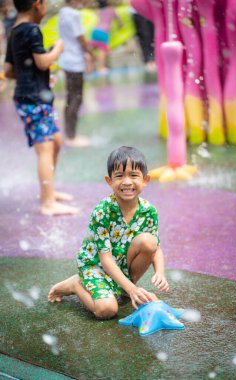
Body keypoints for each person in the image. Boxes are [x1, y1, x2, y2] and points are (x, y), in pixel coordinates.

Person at [48, 146, 169, 319]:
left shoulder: (148, 210)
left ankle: (125, 288)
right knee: (107, 310)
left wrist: (160, 273)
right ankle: (75, 284)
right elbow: (105, 259)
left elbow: (156, 248)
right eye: (119, 176)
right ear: (109, 181)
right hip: (96, 265)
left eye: (133, 175)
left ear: (145, 180)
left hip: (121, 263)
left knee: (148, 242)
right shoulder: (103, 210)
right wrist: (132, 289)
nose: (127, 182)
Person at [4, 0, 79, 216]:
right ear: (38, 4)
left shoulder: (15, 31)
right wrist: (58, 49)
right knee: (45, 148)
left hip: (30, 96)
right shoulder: (33, 30)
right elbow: (43, 62)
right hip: (34, 99)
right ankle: (47, 202)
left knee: (54, 142)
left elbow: (9, 70)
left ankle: (49, 192)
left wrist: (35, 77)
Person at [58, 0, 92, 148]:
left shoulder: (63, 12)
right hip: (75, 61)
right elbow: (81, 38)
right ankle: (71, 137)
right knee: (76, 98)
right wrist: (89, 52)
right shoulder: (74, 14)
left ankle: (69, 134)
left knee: (70, 96)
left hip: (66, 59)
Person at [89, 0, 121, 74]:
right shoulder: (111, 9)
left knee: (91, 49)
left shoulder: (98, 11)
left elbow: (97, 19)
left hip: (95, 31)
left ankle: (89, 68)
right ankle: (101, 68)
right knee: (102, 50)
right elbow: (119, 22)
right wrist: (120, 26)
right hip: (104, 32)